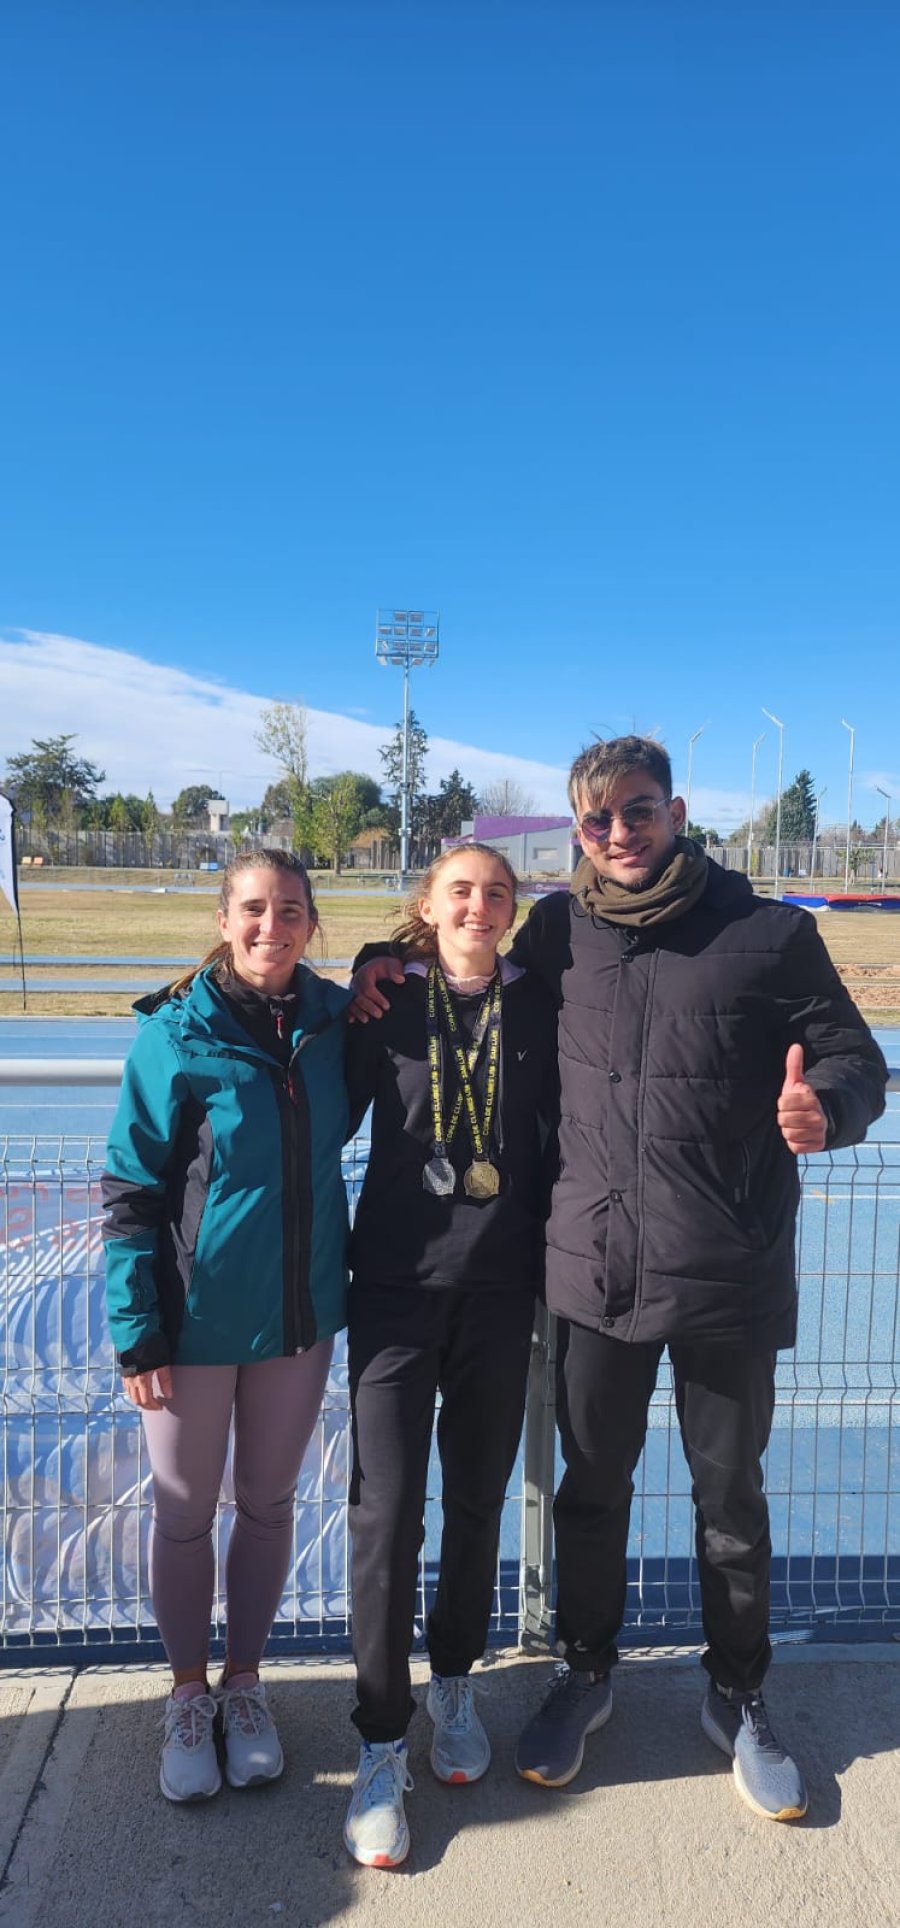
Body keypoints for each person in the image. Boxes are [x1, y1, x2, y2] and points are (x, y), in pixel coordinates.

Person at [353, 739, 888, 1824]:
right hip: (593, 1268)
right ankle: (586, 1672)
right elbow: (461, 955)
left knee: (730, 1502)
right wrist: (377, 953)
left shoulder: (771, 931)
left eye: (637, 812)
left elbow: (856, 1056)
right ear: (578, 830)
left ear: (676, 809)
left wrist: (824, 1107)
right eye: (595, 821)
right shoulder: (558, 930)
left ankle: (738, 1696)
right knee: (592, 1491)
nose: (617, 834)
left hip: (726, 1265)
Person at [102, 850, 350, 1803]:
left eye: (290, 910)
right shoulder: (175, 1033)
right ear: (224, 915)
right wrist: (138, 1329)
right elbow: (131, 1189)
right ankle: (185, 1693)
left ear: (311, 922)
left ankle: (246, 1686)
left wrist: (379, 973)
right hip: (192, 1327)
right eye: (253, 909)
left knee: (271, 1505)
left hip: (299, 1320)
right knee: (182, 1513)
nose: (271, 926)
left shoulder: (335, 1022)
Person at [341, 844, 558, 1869]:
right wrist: (369, 957)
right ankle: (382, 1738)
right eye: (459, 889)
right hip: (393, 1290)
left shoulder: (544, 1002)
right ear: (429, 905)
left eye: (497, 891)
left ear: (514, 911)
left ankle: (455, 1679)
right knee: (387, 1513)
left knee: (477, 1498)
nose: (479, 903)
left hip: (499, 1289)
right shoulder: (386, 997)